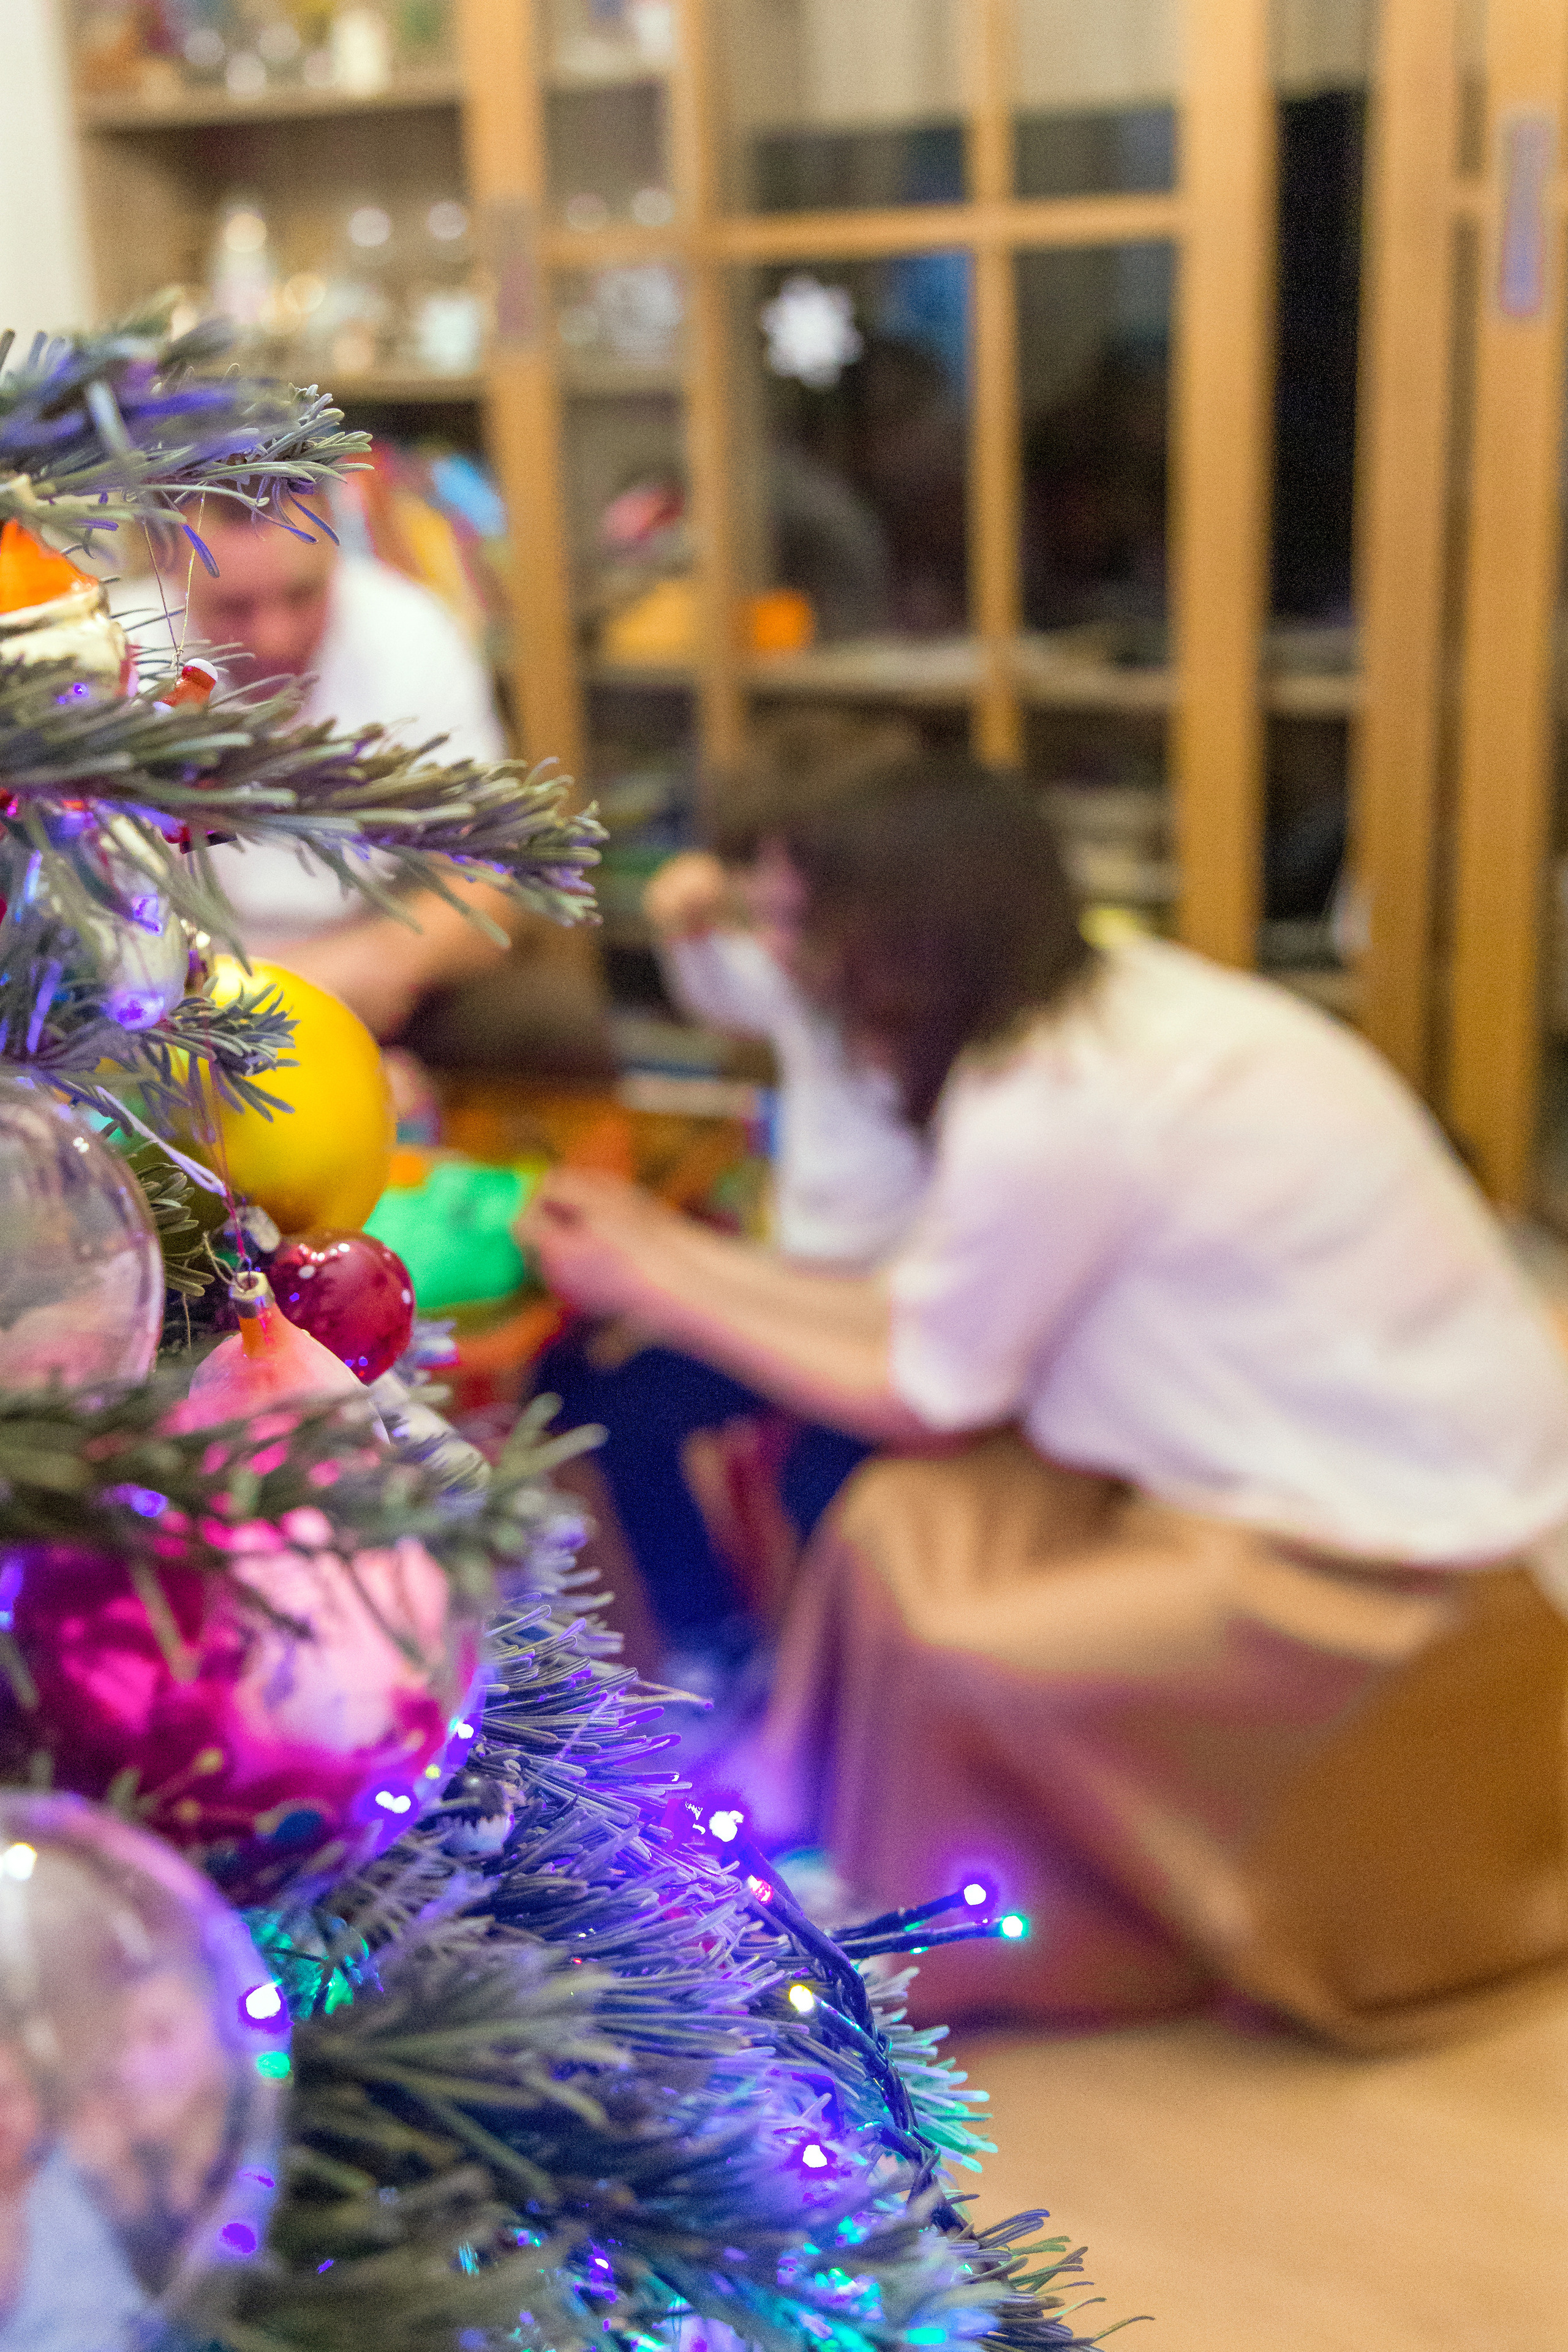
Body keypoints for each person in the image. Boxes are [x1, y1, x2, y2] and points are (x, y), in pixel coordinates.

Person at [521, 755, 1568, 2046]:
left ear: (897, 946)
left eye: (800, 927)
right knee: (886, 1532)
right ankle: (837, 1840)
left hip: (1377, 1523)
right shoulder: (1100, 1011)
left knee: (958, 1632)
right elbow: (921, 1310)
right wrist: (661, 1259)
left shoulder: (1052, 1106)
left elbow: (923, 1384)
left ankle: (977, 1934)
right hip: (1295, 1442)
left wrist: (658, 1274)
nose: (773, 955)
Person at [538, 720, 931, 1674]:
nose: (784, 951)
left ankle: (825, 1692)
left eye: (799, 921)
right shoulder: (802, 978)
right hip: (791, 1293)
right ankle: (712, 1639)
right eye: (768, 919)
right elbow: (732, 994)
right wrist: (695, 932)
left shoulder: (937, 1014)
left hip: (894, 1335)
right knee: (596, 1393)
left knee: (823, 1487)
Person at [114, 507, 609, 1068]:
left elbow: (493, 876)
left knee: (551, 1019)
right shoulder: (117, 655)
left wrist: (381, 964)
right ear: (168, 565)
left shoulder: (409, 629)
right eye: (233, 607)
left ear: (334, 540)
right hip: (176, 998)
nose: (275, 639)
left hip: (372, 976)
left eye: (303, 595)